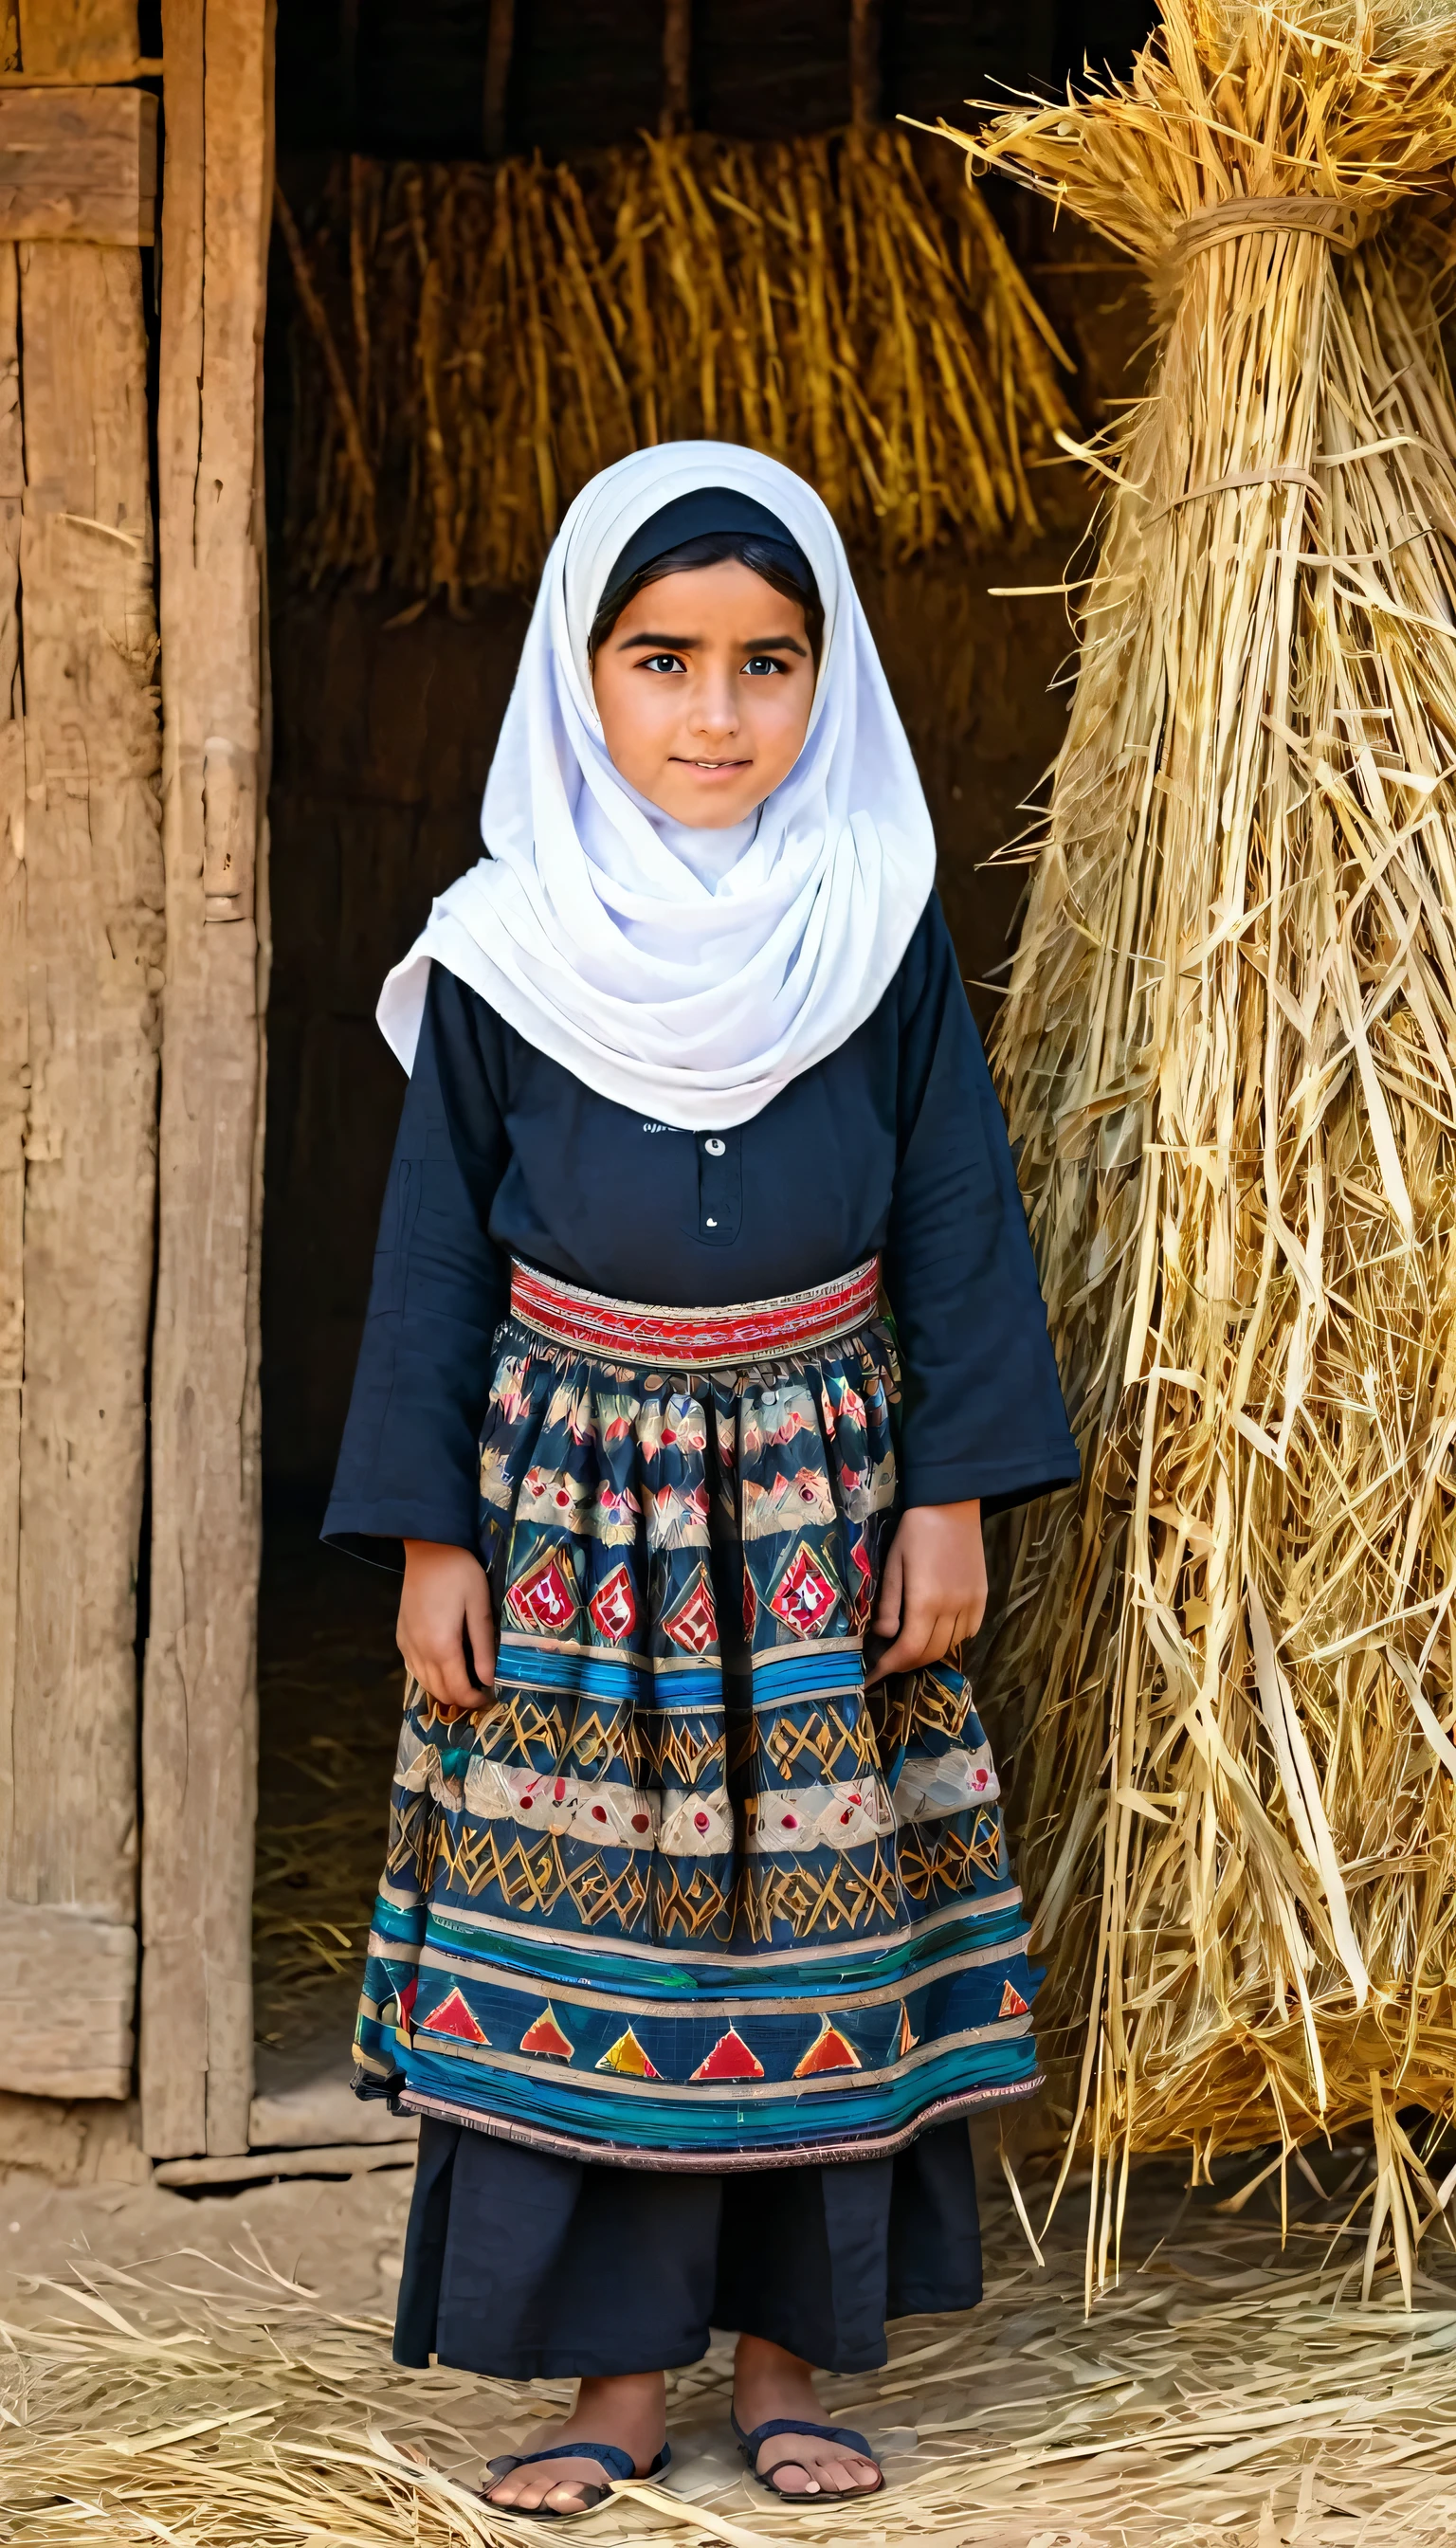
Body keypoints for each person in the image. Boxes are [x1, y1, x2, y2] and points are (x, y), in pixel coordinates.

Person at [323, 442, 1077, 2520]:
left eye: (769, 662)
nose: (718, 714)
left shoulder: (874, 925)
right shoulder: (506, 950)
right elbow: (433, 1266)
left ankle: (791, 2366)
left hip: (828, 1506)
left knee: (813, 1943)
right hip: (579, 1519)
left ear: (832, 681)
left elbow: (953, 1219)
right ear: (581, 678)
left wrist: (952, 1495)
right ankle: (609, 2388)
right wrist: (429, 1534)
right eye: (662, 661)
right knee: (602, 1935)